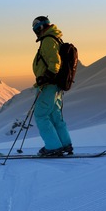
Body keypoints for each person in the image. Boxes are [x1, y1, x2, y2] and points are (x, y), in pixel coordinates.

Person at [31, 16, 73, 156]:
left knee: (41, 115)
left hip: (49, 84)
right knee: (55, 115)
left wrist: (46, 77)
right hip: (56, 86)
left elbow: (54, 62)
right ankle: (65, 144)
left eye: (36, 29)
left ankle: (53, 146)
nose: (36, 32)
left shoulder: (48, 40)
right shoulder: (55, 38)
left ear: (42, 27)